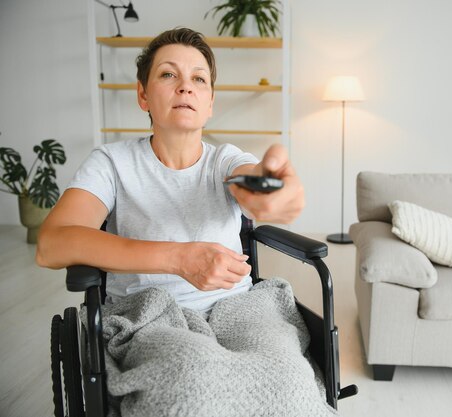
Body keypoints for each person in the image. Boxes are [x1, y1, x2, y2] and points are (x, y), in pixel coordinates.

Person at [36, 28, 305, 317]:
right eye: (168, 74)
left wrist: (271, 188)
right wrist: (179, 258)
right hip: (148, 317)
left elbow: (252, 181)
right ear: (143, 95)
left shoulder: (227, 161)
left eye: (199, 78)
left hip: (237, 311)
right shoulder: (111, 163)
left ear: (210, 102)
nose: (185, 87)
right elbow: (51, 245)